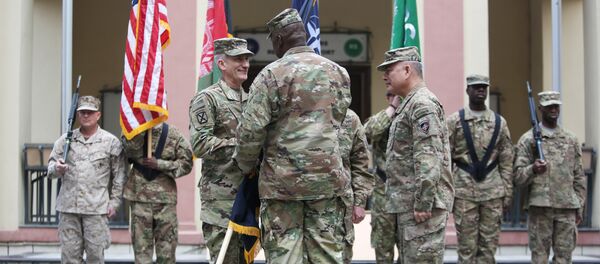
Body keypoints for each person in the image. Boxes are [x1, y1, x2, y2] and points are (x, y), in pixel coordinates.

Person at [233, 8, 352, 263]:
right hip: (327, 183)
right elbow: (340, 119)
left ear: (278, 40)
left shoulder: (270, 75)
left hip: (282, 186)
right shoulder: (338, 73)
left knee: (285, 256)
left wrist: (245, 166)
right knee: (327, 255)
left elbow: (251, 131)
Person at [378, 46, 454, 264]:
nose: (385, 76)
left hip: (421, 210)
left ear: (407, 70)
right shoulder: (410, 103)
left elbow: (428, 158)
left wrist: (423, 202)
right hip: (412, 207)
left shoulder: (421, 104)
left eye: (389, 69)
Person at [189, 37, 254, 263]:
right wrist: (244, 145)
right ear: (221, 64)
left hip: (248, 200)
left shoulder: (253, 100)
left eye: (246, 58)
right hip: (221, 204)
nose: (245, 64)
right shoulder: (207, 99)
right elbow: (200, 144)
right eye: (238, 58)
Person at [47, 95, 127, 264]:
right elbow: (50, 168)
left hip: (96, 210)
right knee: (69, 258)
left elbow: (119, 174)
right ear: (77, 115)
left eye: (90, 112)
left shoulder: (110, 142)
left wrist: (114, 202)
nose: (85, 116)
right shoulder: (66, 140)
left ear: (98, 115)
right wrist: (57, 168)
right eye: (82, 112)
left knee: (95, 258)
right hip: (69, 209)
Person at [446, 74, 514, 263]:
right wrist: (446, 192)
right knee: (466, 249)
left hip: (493, 193)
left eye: (484, 87)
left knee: (488, 249)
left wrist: (507, 194)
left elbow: (507, 160)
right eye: (476, 87)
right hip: (464, 193)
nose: (481, 90)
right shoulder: (455, 121)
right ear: (468, 90)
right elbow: (445, 158)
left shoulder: (499, 123)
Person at [514, 91, 586, 264]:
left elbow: (579, 176)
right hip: (540, 208)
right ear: (540, 108)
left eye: (556, 106)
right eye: (549, 106)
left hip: (567, 207)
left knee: (564, 259)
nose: (553, 109)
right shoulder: (528, 140)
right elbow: (518, 177)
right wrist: (533, 169)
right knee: (540, 258)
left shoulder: (571, 140)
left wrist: (580, 206)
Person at [122, 122, 193, 263]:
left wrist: (160, 164)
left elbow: (187, 164)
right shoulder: (133, 132)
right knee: (142, 254)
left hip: (165, 201)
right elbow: (127, 150)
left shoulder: (174, 134)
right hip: (139, 199)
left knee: (166, 253)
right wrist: (140, 131)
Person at [364, 92, 402, 263]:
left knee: (410, 250)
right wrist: (392, 108)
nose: (397, 98)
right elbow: (369, 132)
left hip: (408, 194)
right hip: (383, 193)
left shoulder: (414, 117)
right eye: (392, 96)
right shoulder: (382, 119)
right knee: (383, 247)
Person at [338, 109, 375, 264]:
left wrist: (359, 201)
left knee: (339, 256)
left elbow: (360, 163)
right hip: (291, 207)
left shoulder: (349, 118)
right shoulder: (286, 110)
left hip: (336, 207)